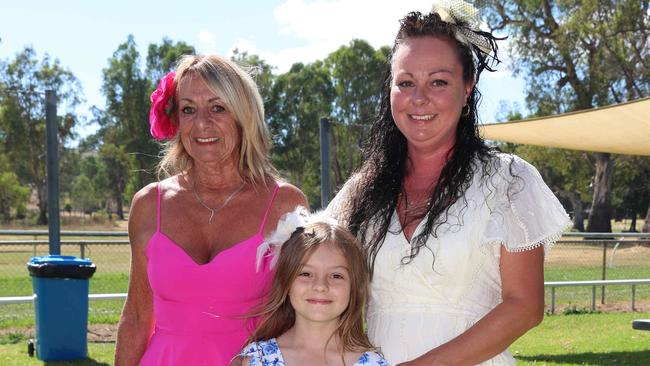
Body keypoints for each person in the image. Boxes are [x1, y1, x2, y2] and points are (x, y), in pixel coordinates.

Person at [326, 1, 572, 365]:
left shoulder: (509, 180)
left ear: (467, 88)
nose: (419, 98)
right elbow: (310, 272)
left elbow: (525, 306)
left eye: (438, 81)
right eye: (405, 82)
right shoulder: (362, 191)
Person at [114, 54, 308, 365]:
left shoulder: (284, 204)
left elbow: (303, 319)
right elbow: (136, 318)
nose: (202, 123)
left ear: (243, 116)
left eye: (218, 108)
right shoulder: (149, 205)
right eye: (188, 109)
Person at [234, 211, 389, 366]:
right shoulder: (256, 359)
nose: (320, 286)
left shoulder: (373, 363)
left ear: (355, 287)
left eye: (336, 275)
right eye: (306, 273)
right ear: (286, 282)